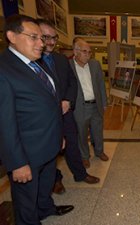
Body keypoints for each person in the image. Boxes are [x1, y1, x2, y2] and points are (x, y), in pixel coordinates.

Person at [0, 14, 73, 225]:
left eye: (42, 38)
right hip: (26, 153)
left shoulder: (36, 63)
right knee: (25, 202)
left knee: (45, 186)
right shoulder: (4, 70)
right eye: (34, 37)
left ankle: (46, 209)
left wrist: (59, 137)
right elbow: (5, 123)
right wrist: (17, 163)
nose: (41, 43)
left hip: (48, 145)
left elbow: (51, 104)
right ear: (12, 36)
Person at [37, 19, 100, 194]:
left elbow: (72, 82)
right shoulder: (32, 60)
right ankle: (55, 179)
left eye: (54, 38)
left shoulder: (60, 59)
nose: (50, 42)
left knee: (72, 144)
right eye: (45, 37)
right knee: (51, 150)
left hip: (65, 113)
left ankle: (80, 174)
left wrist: (67, 100)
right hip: (44, 117)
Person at [69, 38, 108, 169]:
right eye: (85, 51)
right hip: (80, 107)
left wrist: (104, 103)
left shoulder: (95, 64)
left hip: (96, 105)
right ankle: (85, 157)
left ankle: (99, 151)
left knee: (98, 130)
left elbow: (101, 85)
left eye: (89, 52)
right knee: (82, 133)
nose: (88, 55)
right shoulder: (69, 66)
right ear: (75, 51)